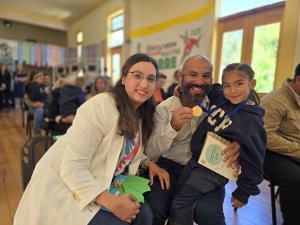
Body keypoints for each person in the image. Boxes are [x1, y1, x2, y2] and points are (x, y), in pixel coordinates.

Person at [14, 53, 170, 225]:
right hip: (65, 185)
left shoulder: (141, 113)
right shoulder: (101, 106)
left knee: (145, 217)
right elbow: (72, 167)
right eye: (137, 76)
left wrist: (148, 162)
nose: (144, 84)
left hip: (101, 180)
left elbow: (125, 150)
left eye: (150, 79)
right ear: (124, 78)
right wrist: (112, 202)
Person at [145, 55, 240, 225]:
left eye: (206, 75)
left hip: (206, 168)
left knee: (209, 214)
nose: (199, 81)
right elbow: (151, 152)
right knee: (154, 211)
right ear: (181, 76)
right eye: (192, 75)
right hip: (168, 167)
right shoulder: (163, 109)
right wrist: (172, 126)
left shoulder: (219, 102)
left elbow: (250, 103)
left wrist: (239, 141)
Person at [169, 63, 267, 225]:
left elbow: (255, 160)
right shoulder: (221, 96)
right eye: (227, 85)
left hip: (214, 169)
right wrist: (185, 86)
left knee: (181, 203)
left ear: (252, 84)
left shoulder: (252, 121)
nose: (232, 90)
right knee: (180, 193)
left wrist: (243, 192)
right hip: (197, 160)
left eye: (239, 84)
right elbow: (211, 87)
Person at [260, 63, 300, 225]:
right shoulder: (275, 100)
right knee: (296, 179)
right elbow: (266, 137)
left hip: (292, 151)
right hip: (268, 153)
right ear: (298, 80)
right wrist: (297, 151)